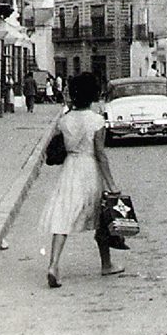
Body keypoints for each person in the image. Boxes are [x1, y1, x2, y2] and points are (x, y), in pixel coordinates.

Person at [40, 73, 122, 288]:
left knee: (63, 215)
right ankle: (106, 264)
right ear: (93, 95)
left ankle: (54, 264)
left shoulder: (64, 120)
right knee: (101, 217)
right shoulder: (96, 121)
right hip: (89, 169)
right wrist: (111, 184)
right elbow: (101, 155)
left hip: (70, 169)